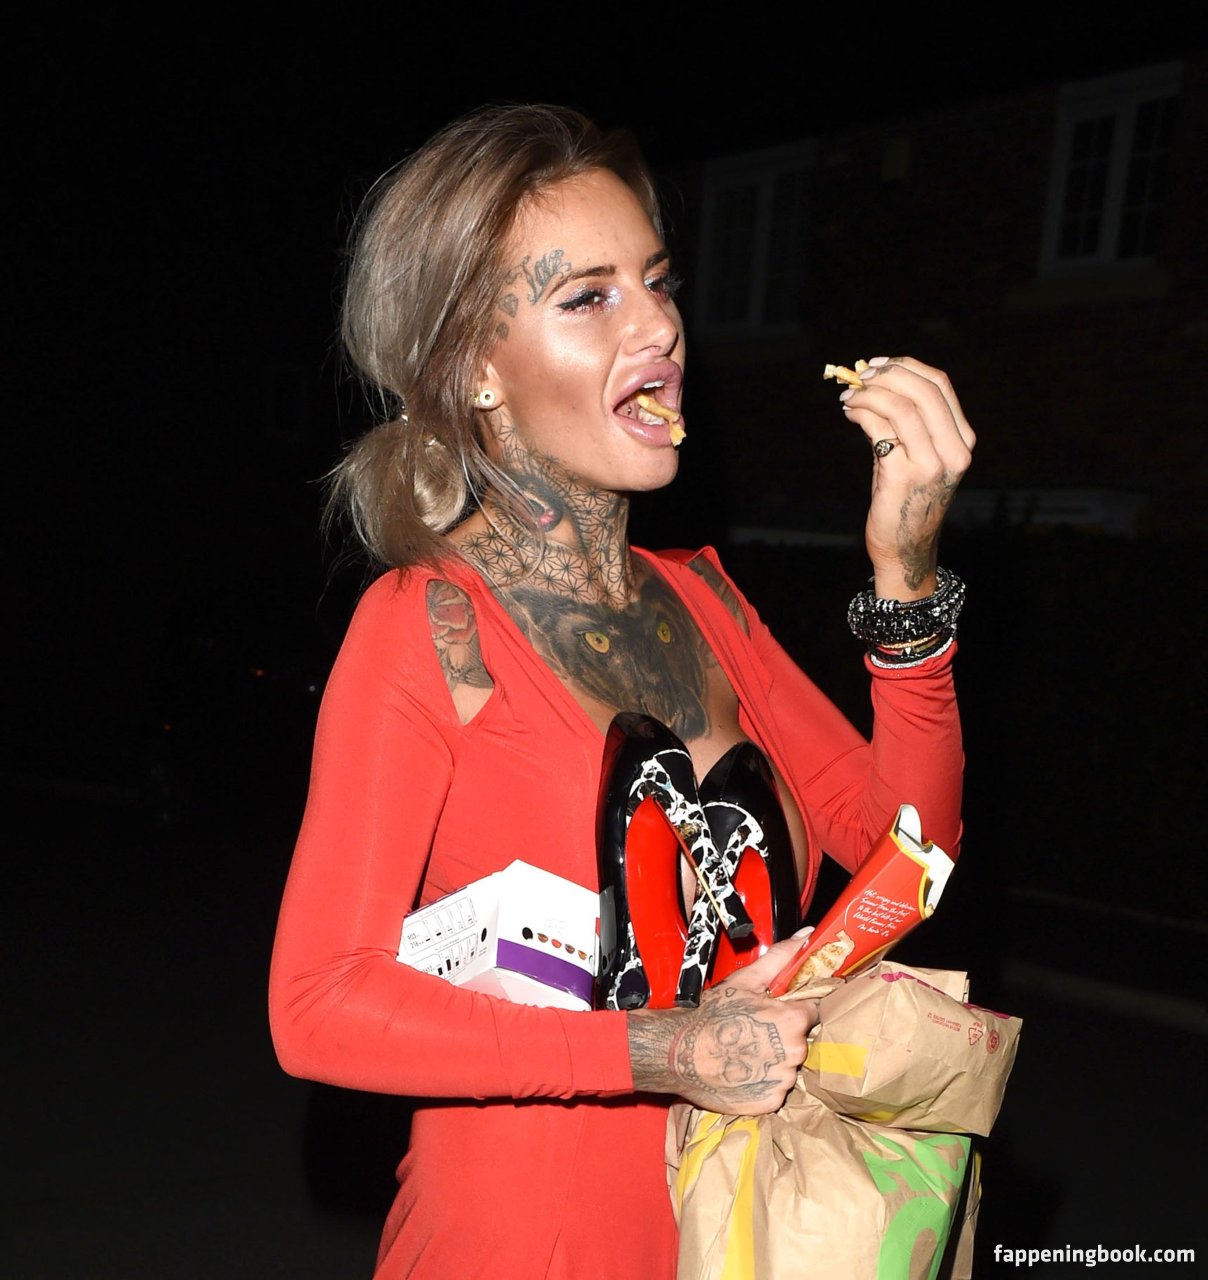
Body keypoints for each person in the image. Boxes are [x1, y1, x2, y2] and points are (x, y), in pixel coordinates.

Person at [268, 104, 973, 1280]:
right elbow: (318, 1005)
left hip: (740, 1226)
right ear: (472, 367)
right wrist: (665, 1050)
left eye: (657, 280)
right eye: (586, 297)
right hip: (519, 1246)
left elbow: (912, 853)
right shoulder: (427, 626)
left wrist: (904, 577)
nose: (658, 324)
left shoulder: (706, 599)